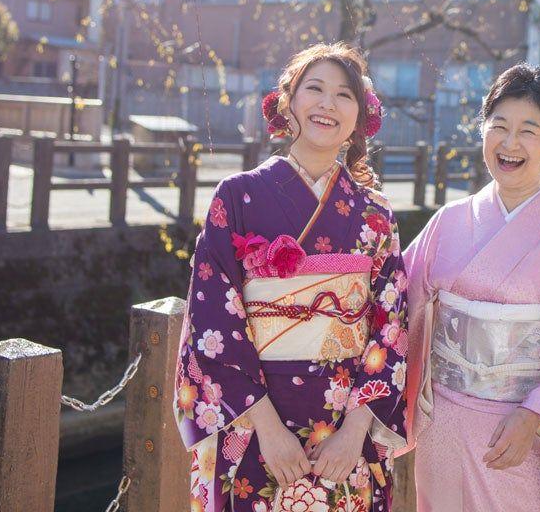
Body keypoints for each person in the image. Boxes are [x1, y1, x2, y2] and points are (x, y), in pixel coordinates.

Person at [174, 43, 408, 512]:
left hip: (343, 432)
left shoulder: (375, 214)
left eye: (344, 95)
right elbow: (212, 316)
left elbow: (391, 326)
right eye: (314, 89)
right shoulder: (237, 197)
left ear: (360, 115)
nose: (327, 104)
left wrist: (355, 431)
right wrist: (266, 425)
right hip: (253, 419)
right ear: (287, 101)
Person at [403, 63, 540, 512]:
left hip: (521, 430)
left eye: (529, 131)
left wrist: (536, 415)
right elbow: (396, 299)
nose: (510, 143)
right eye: (498, 126)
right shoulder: (449, 221)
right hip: (442, 421)